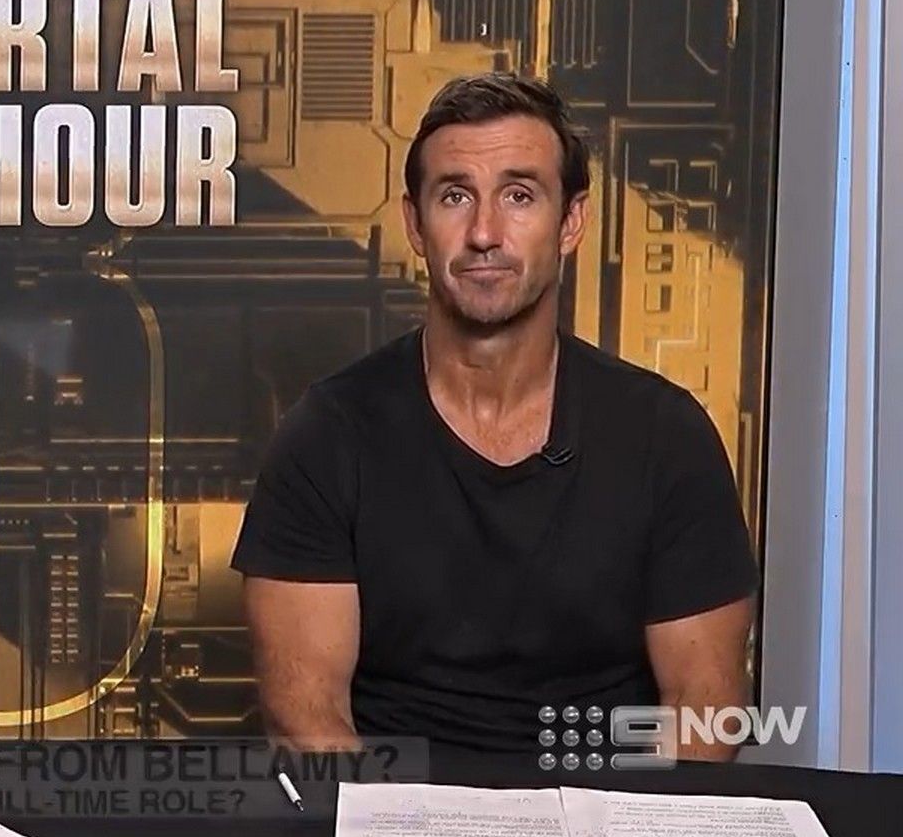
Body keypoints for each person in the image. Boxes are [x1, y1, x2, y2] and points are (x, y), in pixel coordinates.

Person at [233, 72, 758, 760]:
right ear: (415, 224)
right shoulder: (328, 434)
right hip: (394, 809)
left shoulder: (666, 436)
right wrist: (405, 827)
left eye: (519, 195)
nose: (484, 233)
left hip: (605, 807)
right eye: (455, 196)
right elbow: (305, 713)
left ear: (571, 222)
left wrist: (620, 826)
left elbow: (705, 707)